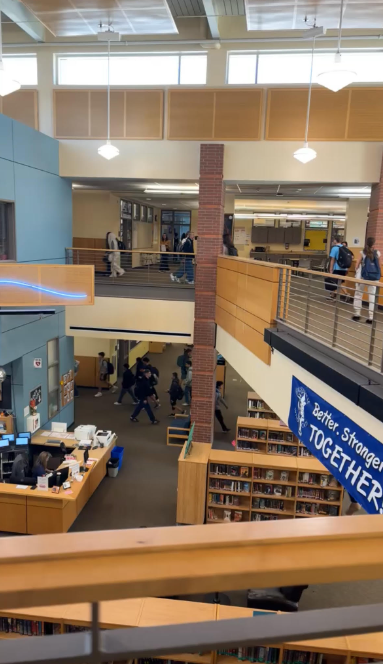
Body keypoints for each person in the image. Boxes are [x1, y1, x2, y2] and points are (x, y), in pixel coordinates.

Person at [352, 237, 381, 324]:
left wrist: (356, 272)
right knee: (372, 297)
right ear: (374, 244)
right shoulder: (378, 253)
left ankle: (357, 314)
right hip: (374, 278)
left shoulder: (362, 252)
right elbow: (379, 266)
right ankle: (371, 318)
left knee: (358, 294)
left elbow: (356, 265)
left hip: (362, 277)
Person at [328, 236, 352, 300]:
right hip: (344, 268)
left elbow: (332, 259)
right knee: (339, 282)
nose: (333, 241)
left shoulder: (334, 248)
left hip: (337, 268)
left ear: (335, 240)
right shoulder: (344, 248)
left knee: (335, 282)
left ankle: (345, 294)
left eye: (333, 240)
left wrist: (331, 269)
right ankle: (333, 295)